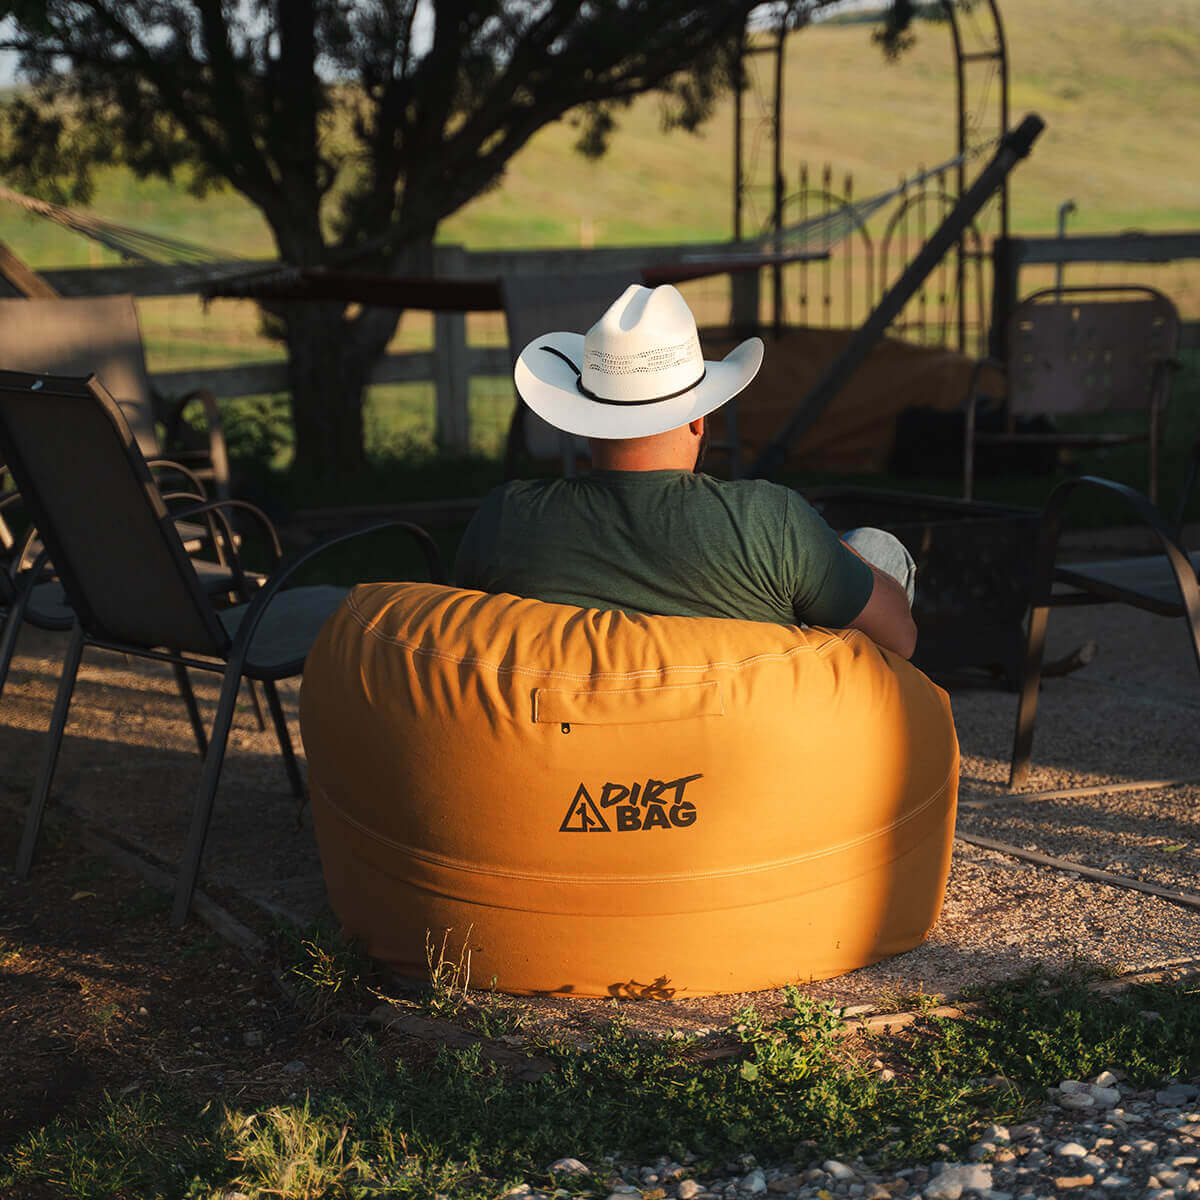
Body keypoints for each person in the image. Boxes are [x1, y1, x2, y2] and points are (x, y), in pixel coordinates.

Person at [455, 283, 917, 658]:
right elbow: (902, 639)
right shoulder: (769, 519)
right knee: (877, 547)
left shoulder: (506, 518)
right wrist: (813, 540)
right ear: (699, 418)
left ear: (585, 420)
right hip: (745, 751)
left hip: (574, 752)